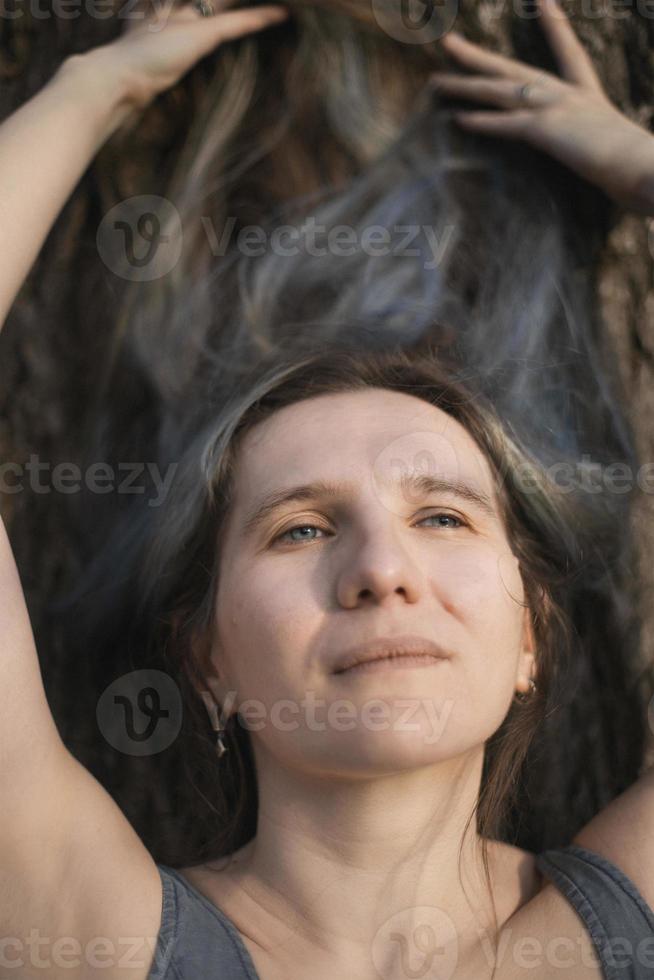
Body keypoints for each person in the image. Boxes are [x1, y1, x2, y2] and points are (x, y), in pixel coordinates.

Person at [1, 1, 653, 979]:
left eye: (442, 515)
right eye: (301, 528)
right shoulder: (92, 935)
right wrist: (96, 88)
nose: (382, 570)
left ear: (529, 632)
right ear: (206, 654)